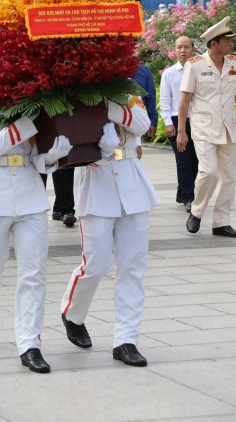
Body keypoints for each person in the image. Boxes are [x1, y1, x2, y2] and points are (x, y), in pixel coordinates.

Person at [0, 34, 73, 373]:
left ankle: (30, 344)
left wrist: (52, 157)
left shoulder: (25, 106)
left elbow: (33, 159)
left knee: (33, 273)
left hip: (29, 195)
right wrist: (33, 119)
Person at [59, 97, 158, 368]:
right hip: (95, 181)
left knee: (133, 267)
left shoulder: (125, 92)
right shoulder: (79, 96)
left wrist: (107, 106)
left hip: (131, 182)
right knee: (96, 263)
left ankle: (126, 340)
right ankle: (73, 313)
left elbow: (141, 123)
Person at [178, 16, 236, 238]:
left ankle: (221, 222)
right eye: (227, 41)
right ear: (214, 43)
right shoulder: (195, 66)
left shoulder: (235, 63)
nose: (231, 44)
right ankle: (197, 211)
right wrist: (182, 131)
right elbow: (184, 100)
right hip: (203, 129)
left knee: (228, 177)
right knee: (209, 171)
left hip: (229, 129)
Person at [160, 36, 199, 210]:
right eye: (179, 47)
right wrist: (168, 123)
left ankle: (182, 191)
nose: (182, 51)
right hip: (176, 121)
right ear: (174, 51)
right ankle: (189, 197)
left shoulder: (200, 70)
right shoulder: (168, 74)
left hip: (197, 120)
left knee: (196, 161)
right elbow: (165, 101)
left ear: (193, 49)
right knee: (183, 159)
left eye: (186, 47)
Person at [132, 59, 159, 139]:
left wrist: (153, 120)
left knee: (135, 150)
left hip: (135, 119)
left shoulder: (142, 69)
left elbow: (150, 96)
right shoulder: (110, 66)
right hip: (110, 120)